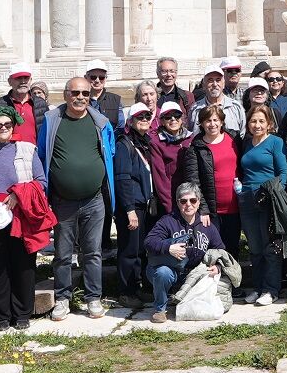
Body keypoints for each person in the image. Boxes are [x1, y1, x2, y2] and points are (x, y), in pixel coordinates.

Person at [38, 79, 115, 321]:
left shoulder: (100, 123)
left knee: (92, 252)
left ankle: (93, 298)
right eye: (75, 92)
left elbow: (109, 152)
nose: (80, 97)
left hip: (94, 200)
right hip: (63, 201)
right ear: (65, 94)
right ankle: (62, 298)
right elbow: (42, 155)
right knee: (62, 253)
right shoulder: (52, 121)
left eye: (85, 92)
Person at [0, 105, 48, 330]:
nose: (3, 128)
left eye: (7, 125)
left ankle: (22, 314)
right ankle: (1, 316)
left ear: (13, 126)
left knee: (23, 265)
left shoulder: (27, 149)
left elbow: (41, 181)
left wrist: (18, 195)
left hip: (21, 216)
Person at [144, 181, 226, 323]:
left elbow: (220, 249)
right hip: (171, 271)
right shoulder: (167, 221)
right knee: (163, 273)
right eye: (183, 201)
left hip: (194, 274)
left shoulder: (207, 225)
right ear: (178, 203)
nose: (188, 204)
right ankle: (160, 309)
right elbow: (148, 242)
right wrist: (168, 247)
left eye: (193, 200)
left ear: (199, 202)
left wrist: (218, 266)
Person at [237, 104, 287, 305]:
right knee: (255, 247)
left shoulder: (276, 142)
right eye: (253, 121)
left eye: (261, 121)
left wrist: (275, 195)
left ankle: (271, 289)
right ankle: (257, 288)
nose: (257, 125)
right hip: (247, 199)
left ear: (269, 123)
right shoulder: (247, 143)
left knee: (270, 246)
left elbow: (283, 173)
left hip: (268, 199)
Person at [114, 102, 156, 308]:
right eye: (140, 117)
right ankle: (126, 291)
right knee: (129, 249)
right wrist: (129, 208)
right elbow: (122, 178)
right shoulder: (125, 144)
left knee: (140, 249)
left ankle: (137, 289)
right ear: (130, 121)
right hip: (132, 206)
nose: (145, 120)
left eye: (147, 116)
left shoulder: (145, 142)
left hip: (144, 204)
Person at [183, 104, 238, 255]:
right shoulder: (196, 147)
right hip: (211, 211)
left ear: (222, 122)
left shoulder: (234, 139)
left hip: (235, 206)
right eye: (208, 120)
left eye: (215, 120)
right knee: (213, 251)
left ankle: (232, 278)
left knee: (233, 248)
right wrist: (203, 209)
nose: (212, 124)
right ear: (201, 123)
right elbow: (193, 182)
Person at [150, 101, 196, 219]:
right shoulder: (156, 142)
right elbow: (160, 178)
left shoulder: (191, 138)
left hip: (191, 198)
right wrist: (170, 207)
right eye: (168, 117)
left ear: (182, 118)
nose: (173, 119)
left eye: (176, 115)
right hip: (171, 199)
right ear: (162, 121)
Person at [0, 66, 48, 144]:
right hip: (8, 154)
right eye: (18, 78)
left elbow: (48, 132)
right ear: (9, 81)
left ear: (30, 80)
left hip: (35, 154)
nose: (23, 82)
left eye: (26, 78)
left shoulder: (40, 104)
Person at [189, 62, 246, 137]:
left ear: (223, 84)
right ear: (204, 85)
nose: (215, 84)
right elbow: (192, 136)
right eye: (210, 80)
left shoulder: (235, 107)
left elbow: (242, 135)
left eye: (218, 80)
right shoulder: (195, 109)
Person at [83, 60, 125, 129]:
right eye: (93, 77)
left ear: (106, 78)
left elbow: (121, 127)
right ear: (86, 78)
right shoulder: (81, 99)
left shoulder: (116, 100)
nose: (97, 80)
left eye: (101, 77)